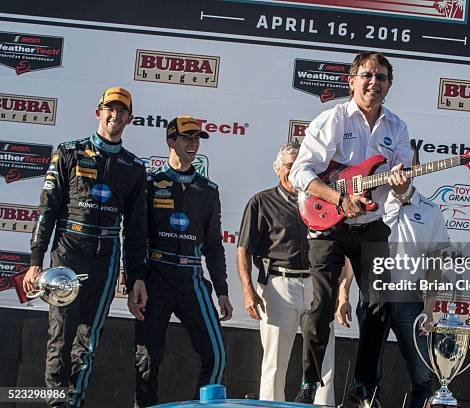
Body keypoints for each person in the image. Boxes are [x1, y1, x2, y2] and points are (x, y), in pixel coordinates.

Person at [289, 51, 413, 407]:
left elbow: (401, 190)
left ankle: (362, 387)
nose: (374, 82)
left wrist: (403, 184)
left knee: (379, 305)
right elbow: (300, 173)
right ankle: (309, 382)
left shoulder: (397, 128)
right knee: (323, 304)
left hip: (372, 226)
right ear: (352, 80)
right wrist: (338, 199)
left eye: (382, 77)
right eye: (368, 75)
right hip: (328, 225)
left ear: (390, 85)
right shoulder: (333, 118)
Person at [23, 87, 148, 408]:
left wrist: (136, 277)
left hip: (106, 262)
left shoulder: (133, 167)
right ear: (98, 112)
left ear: (130, 119)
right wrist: (36, 261)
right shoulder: (69, 153)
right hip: (68, 256)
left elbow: (135, 232)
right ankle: (54, 403)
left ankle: (72, 402)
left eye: (121, 111)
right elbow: (47, 211)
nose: (115, 115)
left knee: (88, 342)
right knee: (60, 338)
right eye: (109, 108)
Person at [336, 142, 451, 408]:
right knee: (368, 378)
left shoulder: (431, 211)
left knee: (423, 375)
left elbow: (435, 262)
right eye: (396, 166)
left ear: (417, 169)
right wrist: (343, 294)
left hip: (410, 304)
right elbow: (355, 253)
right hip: (372, 299)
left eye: (408, 166)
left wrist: (430, 307)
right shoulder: (366, 206)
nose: (402, 172)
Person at [133, 116, 233, 407]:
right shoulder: (150, 184)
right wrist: (136, 278)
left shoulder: (208, 189)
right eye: (186, 137)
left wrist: (223, 290)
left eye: (197, 138)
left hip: (192, 280)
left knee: (216, 356)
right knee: (147, 359)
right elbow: (136, 236)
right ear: (170, 141)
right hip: (156, 277)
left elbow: (214, 245)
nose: (193, 144)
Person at [236, 142, 336, 405]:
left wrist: (342, 290)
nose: (294, 171)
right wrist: (248, 291)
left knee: (324, 359)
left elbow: (339, 247)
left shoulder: (323, 200)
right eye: (289, 165)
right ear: (278, 168)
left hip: (316, 283)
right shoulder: (261, 201)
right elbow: (243, 250)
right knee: (275, 362)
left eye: (299, 166)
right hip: (278, 283)